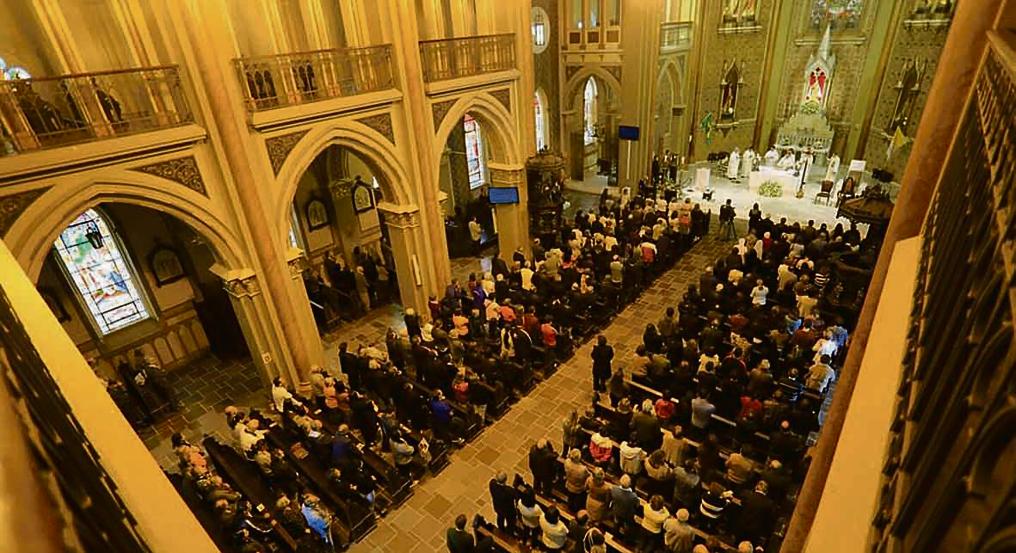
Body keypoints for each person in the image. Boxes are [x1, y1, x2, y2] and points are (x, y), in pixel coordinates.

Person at [564, 448, 590, 513]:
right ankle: (575, 510)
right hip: (578, 487)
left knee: (570, 498)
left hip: (569, 484)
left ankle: (569, 507)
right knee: (577, 500)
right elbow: (588, 475)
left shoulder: (567, 462)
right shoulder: (582, 469)